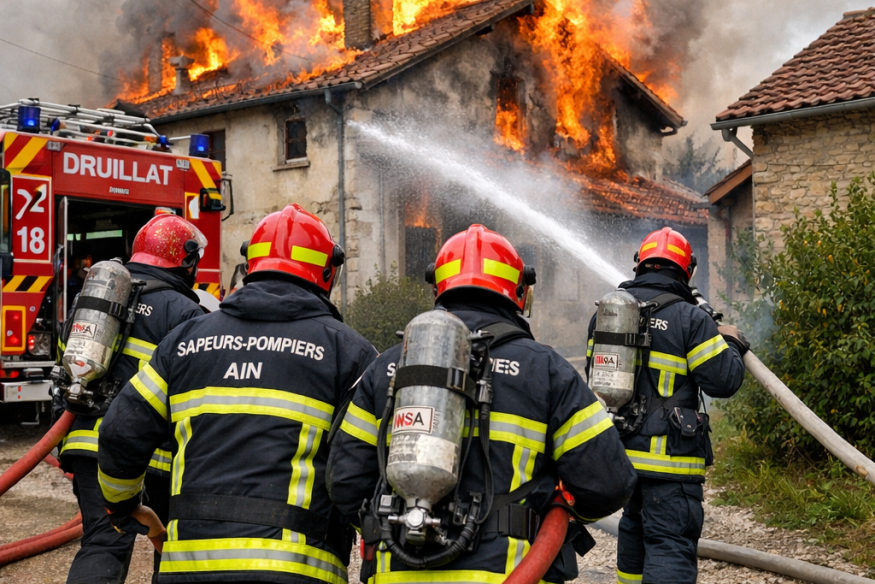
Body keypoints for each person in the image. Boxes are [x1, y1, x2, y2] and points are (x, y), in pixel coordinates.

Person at [327, 224, 637, 584]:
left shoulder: (387, 368)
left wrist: (392, 523)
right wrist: (555, 510)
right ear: (520, 292)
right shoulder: (548, 370)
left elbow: (345, 482)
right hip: (509, 572)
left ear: (437, 288)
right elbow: (608, 485)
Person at [96, 204, 378, 584]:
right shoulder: (351, 353)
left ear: (250, 265)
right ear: (328, 272)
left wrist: (124, 505)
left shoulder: (185, 341)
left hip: (189, 571)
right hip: (296, 570)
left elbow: (119, 432)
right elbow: (362, 470)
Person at [586, 227, 748, 584]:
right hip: (671, 462)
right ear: (686, 271)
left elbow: (594, 375)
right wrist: (733, 344)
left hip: (623, 458)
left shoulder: (607, 314)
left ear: (640, 265)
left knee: (633, 526)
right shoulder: (691, 319)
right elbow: (723, 381)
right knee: (670, 541)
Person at [58, 214, 207, 584]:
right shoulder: (184, 311)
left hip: (87, 444)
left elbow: (66, 362)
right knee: (172, 548)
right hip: (155, 456)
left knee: (103, 542)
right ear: (187, 261)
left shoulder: (94, 298)